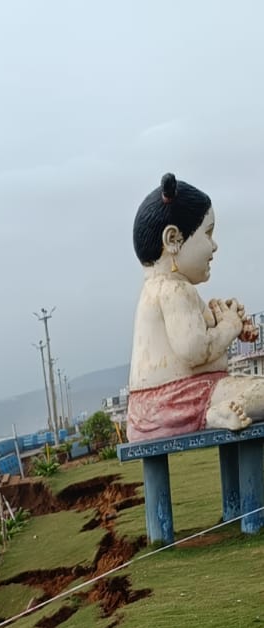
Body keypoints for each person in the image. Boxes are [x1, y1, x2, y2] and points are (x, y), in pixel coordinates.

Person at [127, 173, 261, 441]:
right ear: (173, 239)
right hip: (181, 400)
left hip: (151, 407)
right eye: (207, 234)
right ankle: (218, 413)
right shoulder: (175, 290)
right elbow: (194, 350)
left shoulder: (156, 290)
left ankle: (223, 410)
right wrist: (229, 326)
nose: (214, 246)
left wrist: (220, 319)